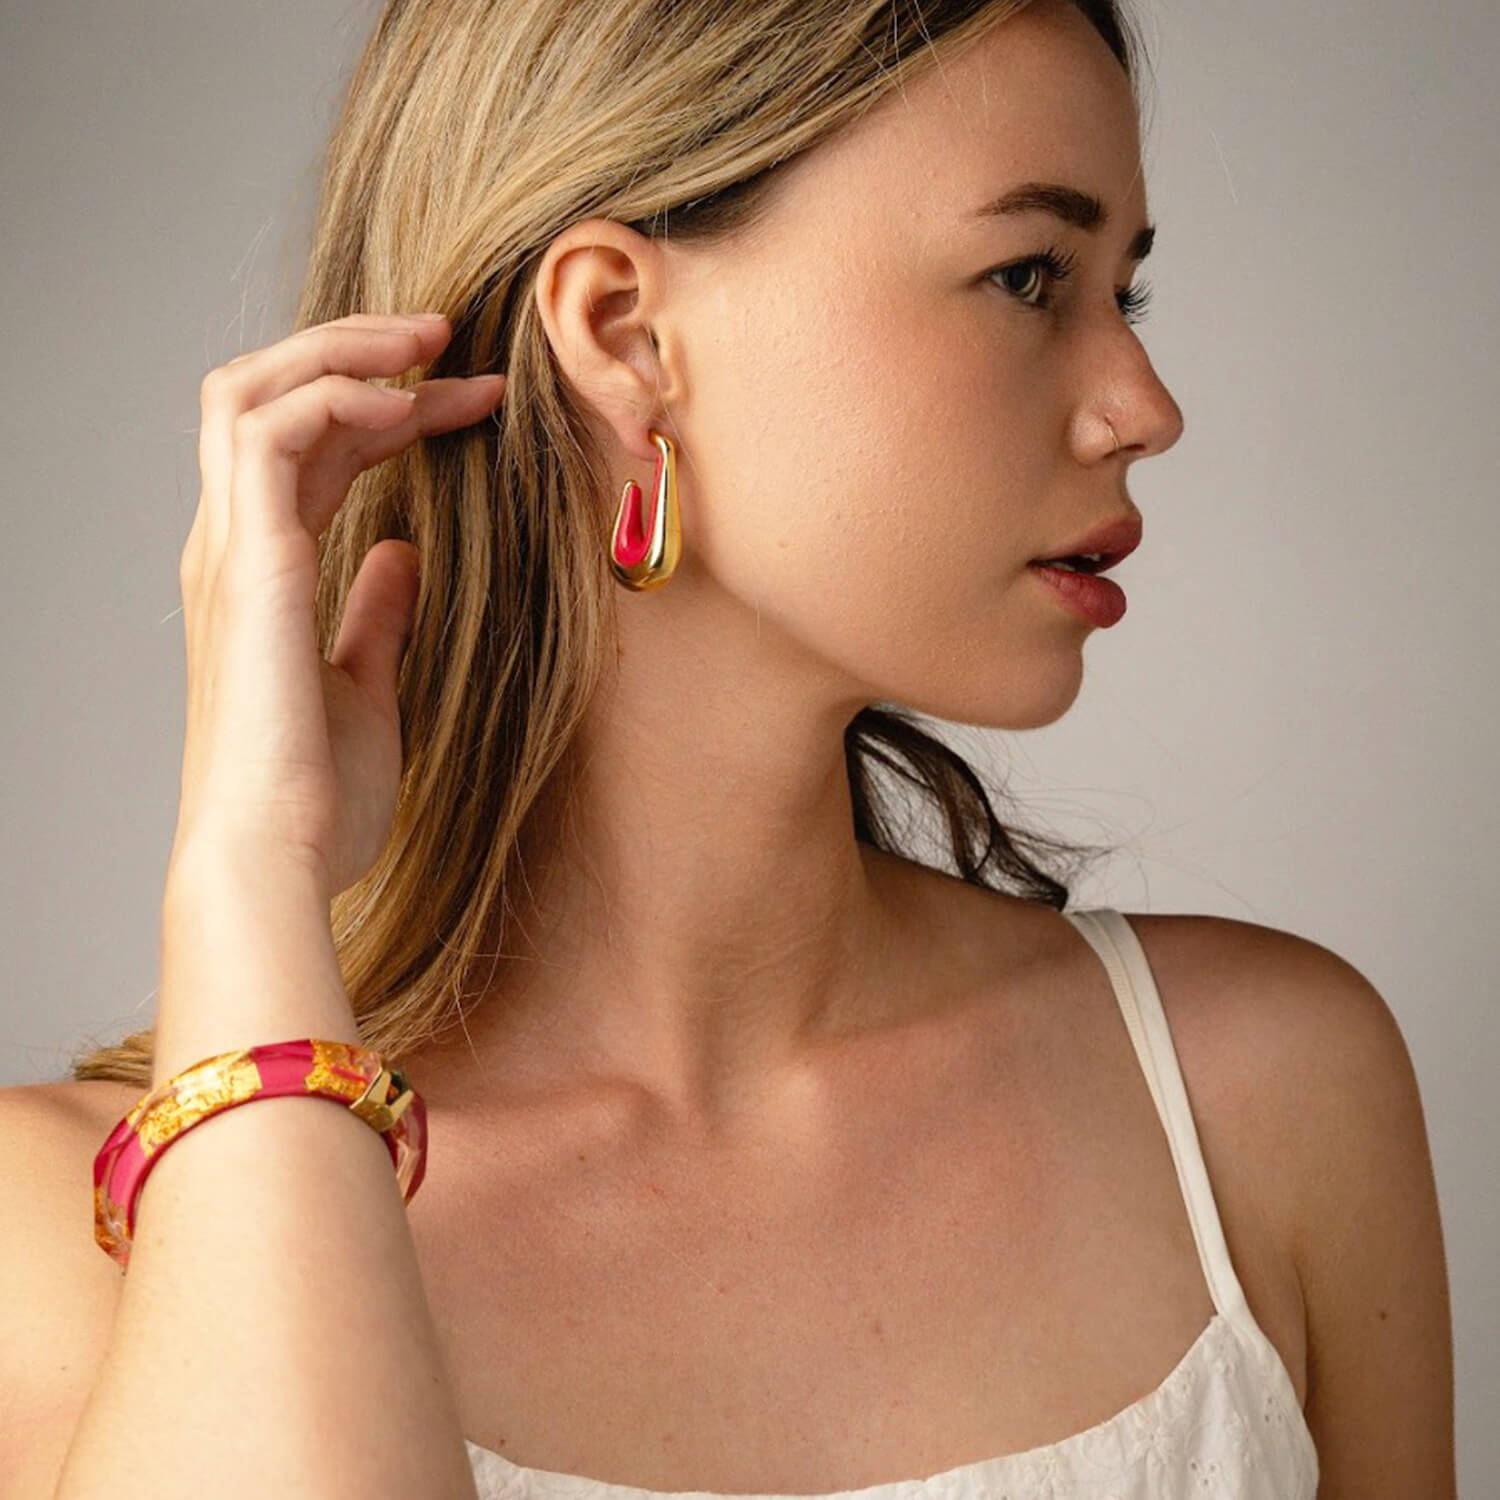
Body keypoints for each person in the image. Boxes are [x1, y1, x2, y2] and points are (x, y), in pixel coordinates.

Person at [3, 0, 1453, 1497]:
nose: (1144, 409)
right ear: (625, 334)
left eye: (1122, 295)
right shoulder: (66, 1235)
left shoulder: (1261, 1102)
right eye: (1028, 276)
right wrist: (249, 872)